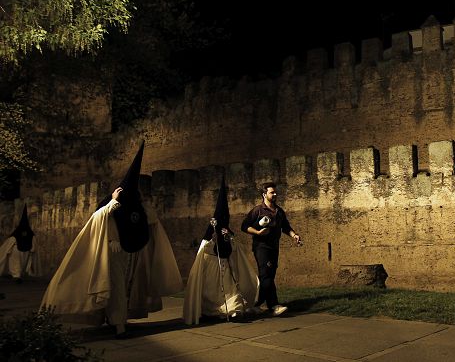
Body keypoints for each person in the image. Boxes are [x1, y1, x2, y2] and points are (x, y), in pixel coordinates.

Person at [40, 142, 182, 338]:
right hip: (110, 253)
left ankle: (117, 319)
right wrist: (114, 202)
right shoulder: (110, 203)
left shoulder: (138, 205)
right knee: (114, 288)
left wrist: (147, 213)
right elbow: (98, 218)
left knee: (124, 289)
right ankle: (119, 324)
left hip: (132, 254)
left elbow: (150, 223)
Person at [184, 176, 258, 324]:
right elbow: (204, 250)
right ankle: (209, 312)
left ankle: (234, 311)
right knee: (210, 294)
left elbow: (235, 250)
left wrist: (229, 238)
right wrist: (213, 239)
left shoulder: (228, 232)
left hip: (225, 267)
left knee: (232, 293)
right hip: (211, 267)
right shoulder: (209, 234)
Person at [241, 182, 301, 316]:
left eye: (275, 192)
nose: (275, 194)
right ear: (264, 195)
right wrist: (257, 233)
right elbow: (244, 226)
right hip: (261, 247)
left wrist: (294, 235)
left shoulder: (279, 211)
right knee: (266, 274)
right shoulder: (258, 210)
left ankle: (255, 305)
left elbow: (285, 226)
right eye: (271, 192)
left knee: (269, 275)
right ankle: (274, 305)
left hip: (274, 246)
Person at [0, 205, 41, 282]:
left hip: (16, 248)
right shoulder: (30, 233)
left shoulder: (16, 233)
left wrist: (6, 250)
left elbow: (9, 244)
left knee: (15, 263)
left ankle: (16, 275)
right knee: (20, 263)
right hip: (26, 249)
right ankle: (17, 275)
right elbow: (33, 245)